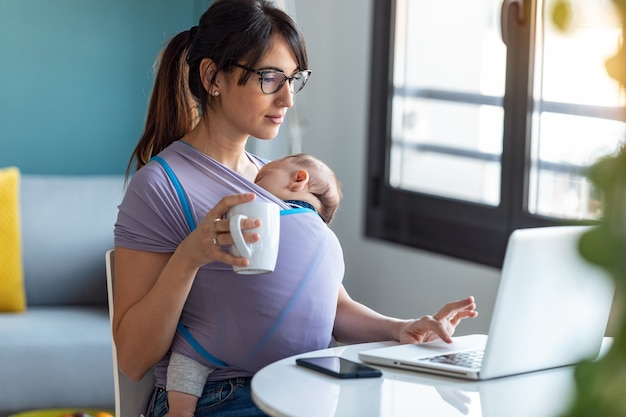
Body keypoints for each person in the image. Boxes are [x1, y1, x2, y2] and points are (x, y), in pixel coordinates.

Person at [112, 1, 478, 416]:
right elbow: (133, 359)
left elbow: (333, 307)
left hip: (301, 383)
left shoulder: (279, 180)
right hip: (218, 397)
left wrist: (403, 328)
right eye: (270, 78)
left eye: (293, 79)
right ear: (213, 76)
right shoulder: (160, 186)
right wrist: (189, 258)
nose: (287, 98)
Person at [165, 152, 342, 417]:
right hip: (305, 368)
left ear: (298, 179)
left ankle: (180, 410)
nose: (252, 186)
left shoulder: (274, 219)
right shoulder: (330, 243)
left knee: (189, 355)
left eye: (260, 178)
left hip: (223, 348)